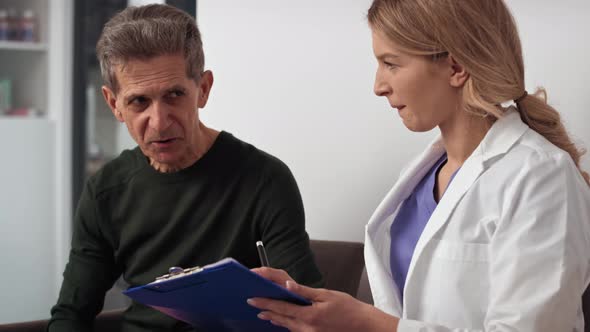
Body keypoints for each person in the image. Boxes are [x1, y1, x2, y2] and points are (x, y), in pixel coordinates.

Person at [248, 0, 590, 330]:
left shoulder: (542, 177)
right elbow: (406, 314)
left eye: (391, 63)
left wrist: (368, 324)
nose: (378, 86)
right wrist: (307, 306)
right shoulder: (423, 174)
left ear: (456, 68)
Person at [48, 4, 323, 331]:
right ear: (114, 104)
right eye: (139, 101)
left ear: (203, 90)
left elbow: (311, 311)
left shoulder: (265, 179)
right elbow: (71, 314)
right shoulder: (105, 191)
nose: (160, 122)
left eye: (174, 94)